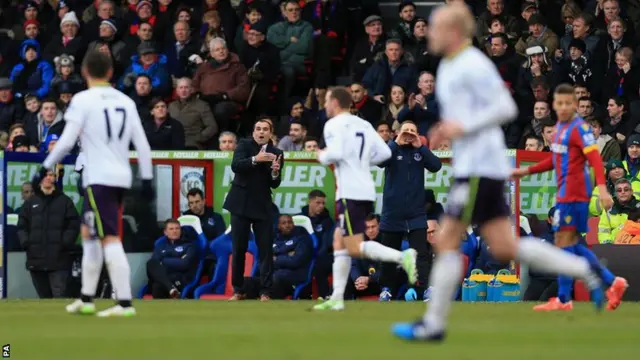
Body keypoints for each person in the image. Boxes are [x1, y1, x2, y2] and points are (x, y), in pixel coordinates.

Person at [392, 4, 607, 342]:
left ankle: (433, 324)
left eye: (435, 26)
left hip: (479, 166)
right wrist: (448, 128)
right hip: (475, 165)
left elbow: (505, 108)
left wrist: (461, 126)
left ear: (453, 31)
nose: (430, 32)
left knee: (447, 239)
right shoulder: (448, 66)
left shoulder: (473, 63)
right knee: (505, 246)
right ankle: (584, 269)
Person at [34, 50, 154, 317]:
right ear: (110, 72)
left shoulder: (83, 100)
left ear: (85, 72)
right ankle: (86, 299)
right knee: (89, 235)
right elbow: (143, 145)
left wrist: (44, 167)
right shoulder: (126, 101)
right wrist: (146, 178)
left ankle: (124, 303)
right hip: (119, 177)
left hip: (100, 178)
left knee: (109, 237)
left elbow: (66, 142)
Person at [513, 84, 629, 311]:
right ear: (554, 105)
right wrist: (525, 171)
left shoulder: (579, 129)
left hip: (576, 193)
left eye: (568, 103)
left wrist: (603, 189)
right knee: (571, 245)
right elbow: (553, 161)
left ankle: (566, 298)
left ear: (574, 106)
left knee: (565, 243)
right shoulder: (560, 128)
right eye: (560, 103)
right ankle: (611, 282)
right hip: (565, 192)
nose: (564, 107)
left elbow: (594, 157)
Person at [312, 86, 418, 311]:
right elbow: (385, 154)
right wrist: (361, 164)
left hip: (350, 191)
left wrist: (322, 156)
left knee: (354, 247)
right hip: (364, 189)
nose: (325, 105)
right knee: (340, 242)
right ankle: (337, 299)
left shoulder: (334, 124)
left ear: (336, 103)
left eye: (328, 101)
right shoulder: (364, 124)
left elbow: (336, 152)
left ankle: (403, 256)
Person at [378, 120, 442, 302]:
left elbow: (436, 166)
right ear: (398, 133)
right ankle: (387, 289)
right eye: (405, 130)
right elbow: (380, 162)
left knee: (420, 254)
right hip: (393, 212)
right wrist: (395, 143)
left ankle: (423, 290)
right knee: (389, 253)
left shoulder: (419, 152)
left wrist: (420, 146)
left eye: (412, 131)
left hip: (416, 213)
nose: (409, 134)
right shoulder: (391, 150)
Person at [223, 118, 284, 301]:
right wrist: (255, 160)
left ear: (270, 133)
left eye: (265, 129)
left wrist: (275, 171)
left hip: (262, 205)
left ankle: (266, 292)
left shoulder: (277, 152)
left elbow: (275, 183)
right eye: (258, 129)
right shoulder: (243, 145)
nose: (261, 132)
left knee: (265, 249)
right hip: (240, 204)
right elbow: (236, 166)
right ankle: (238, 290)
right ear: (254, 131)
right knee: (239, 248)